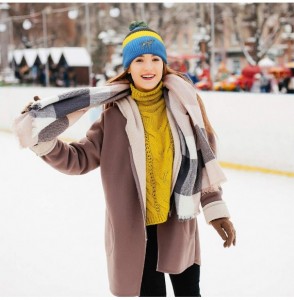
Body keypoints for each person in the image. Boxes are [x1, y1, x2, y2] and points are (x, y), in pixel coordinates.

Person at [14, 21, 236, 297]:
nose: (148, 66)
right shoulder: (114, 116)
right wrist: (43, 137)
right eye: (139, 60)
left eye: (156, 59)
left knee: (189, 293)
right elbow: (79, 159)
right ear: (128, 67)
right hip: (136, 231)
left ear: (164, 64)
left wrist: (216, 211)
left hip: (178, 222)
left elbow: (204, 163)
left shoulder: (185, 107)